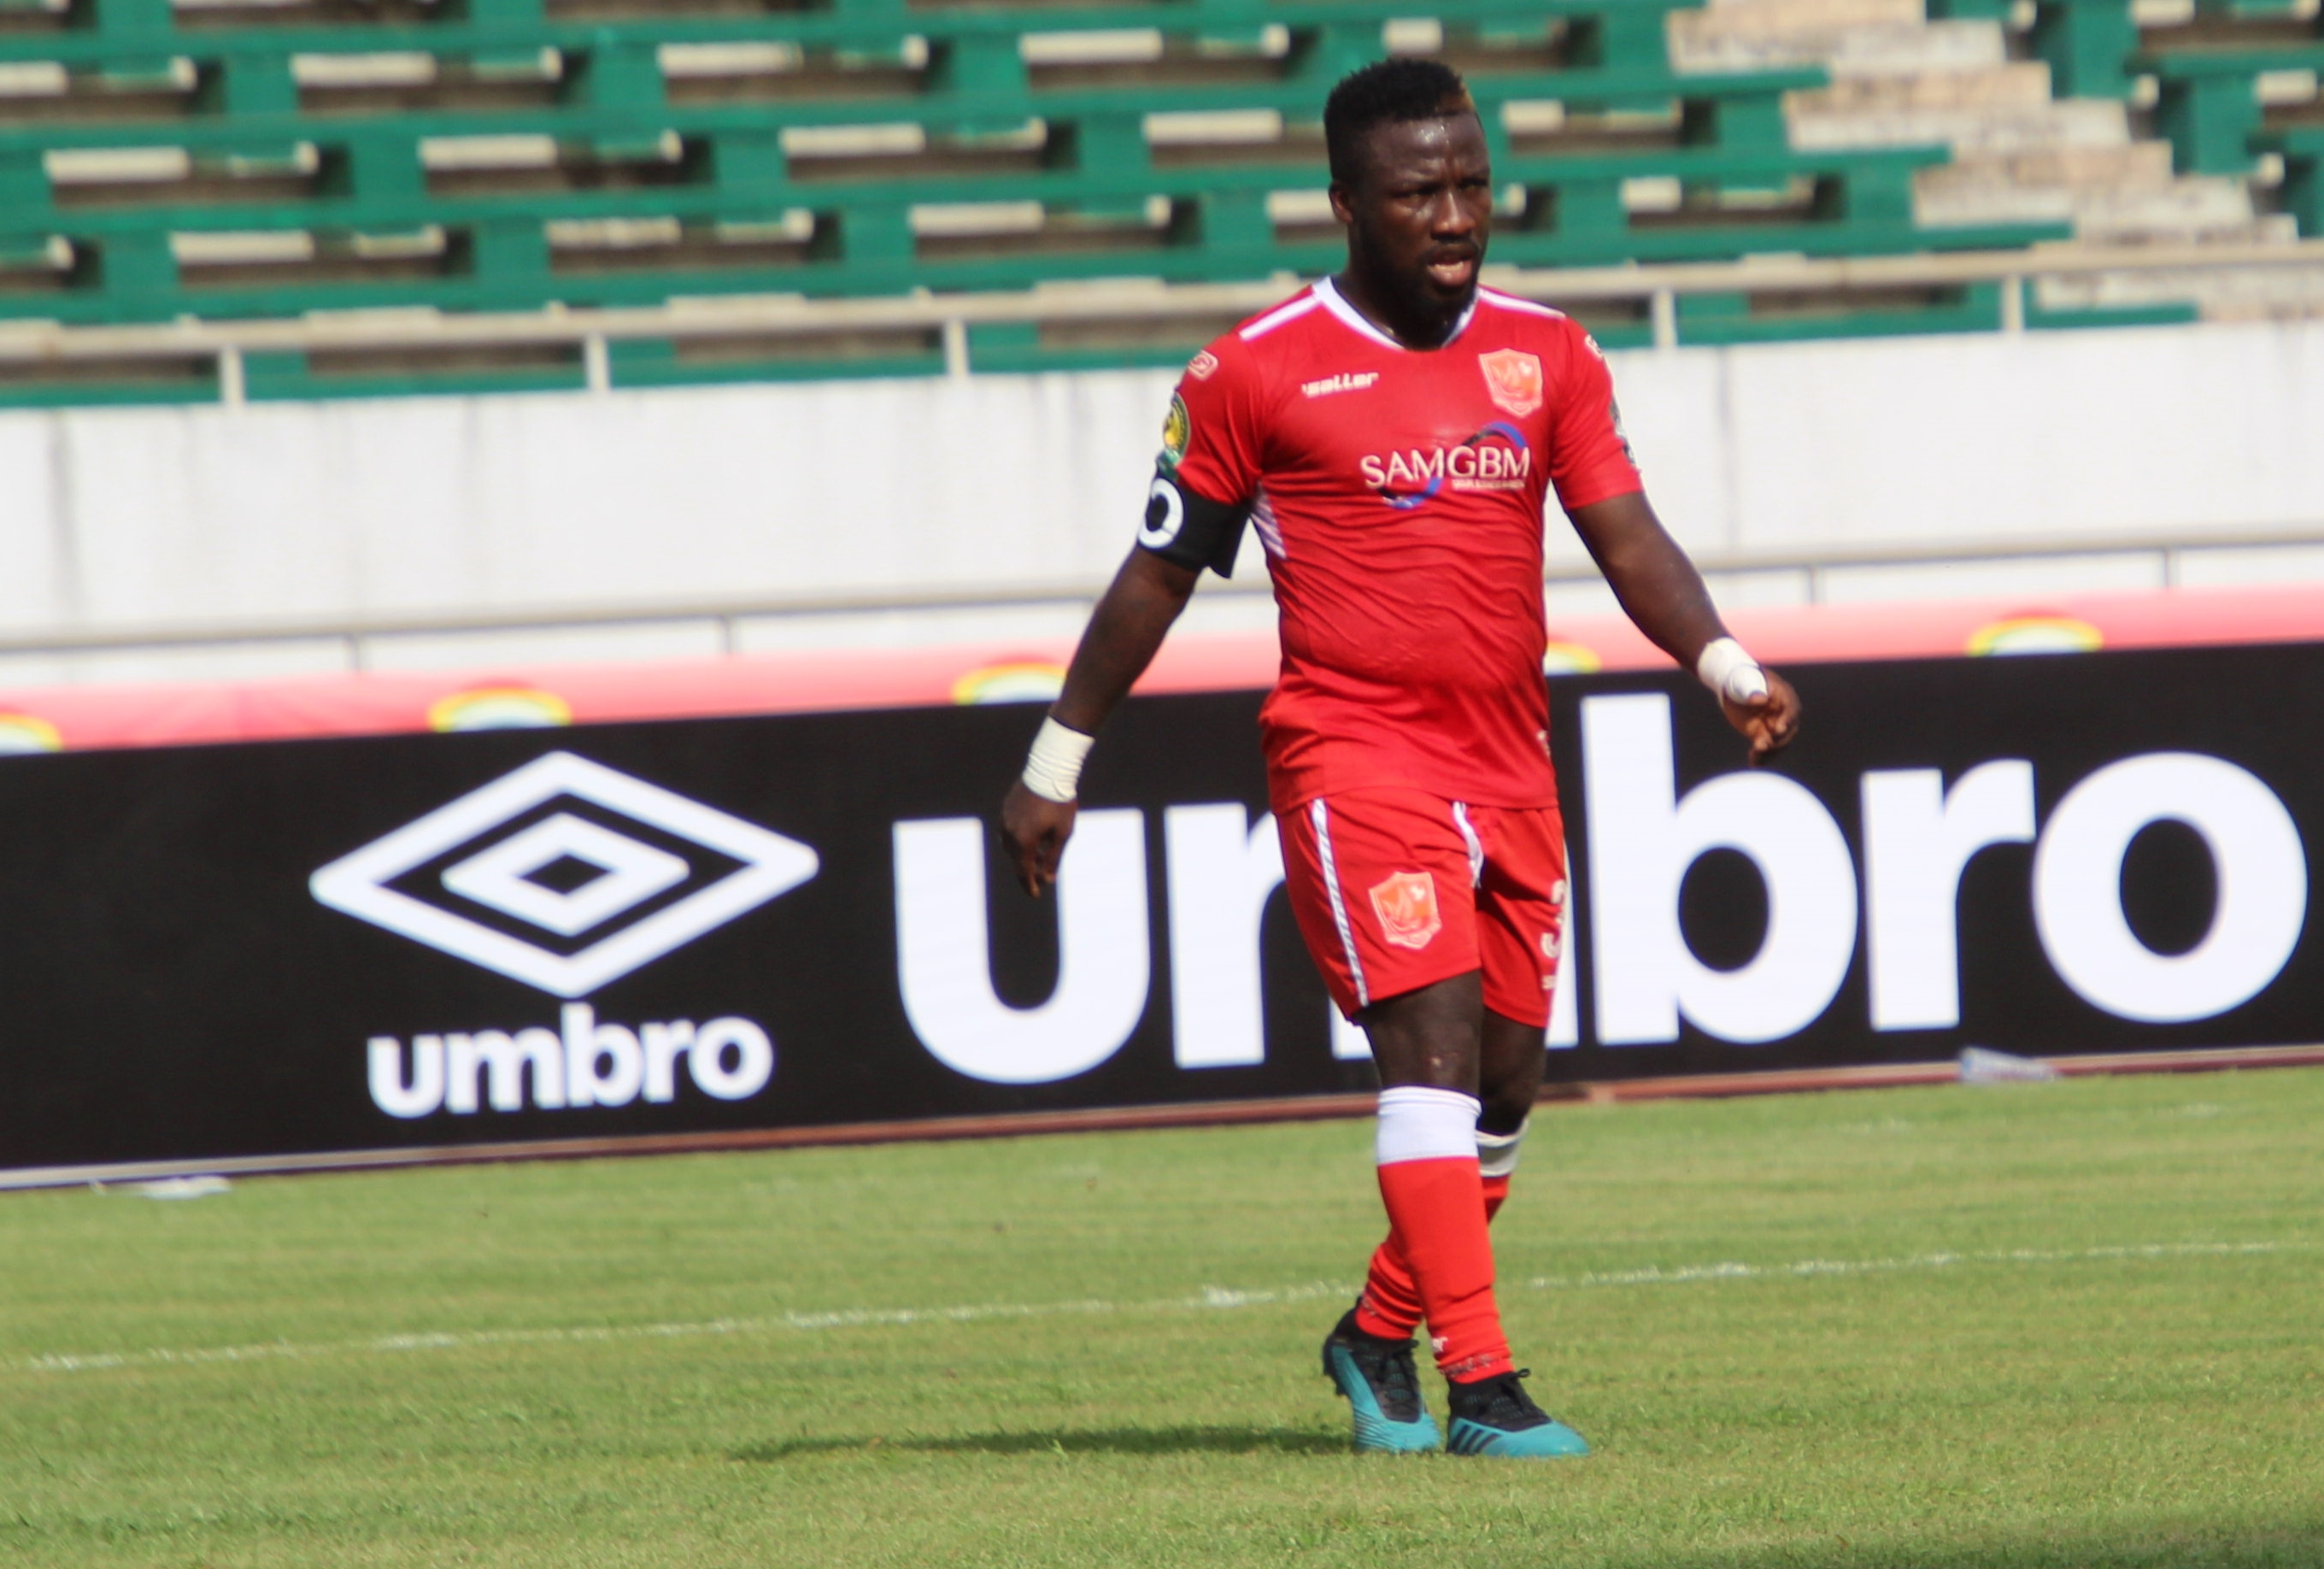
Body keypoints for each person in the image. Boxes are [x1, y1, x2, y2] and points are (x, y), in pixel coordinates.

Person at [998, 56, 1800, 1459]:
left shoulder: (1547, 354)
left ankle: (1375, 1334)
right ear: (1346, 203)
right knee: (1427, 1051)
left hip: (1509, 765)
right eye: (1421, 192)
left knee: (1504, 1083)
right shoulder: (1253, 371)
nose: (1456, 216)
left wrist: (1723, 661)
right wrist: (1056, 763)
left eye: (1474, 185)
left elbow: (1626, 534)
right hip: (1353, 756)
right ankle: (1481, 1387)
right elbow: (1157, 575)